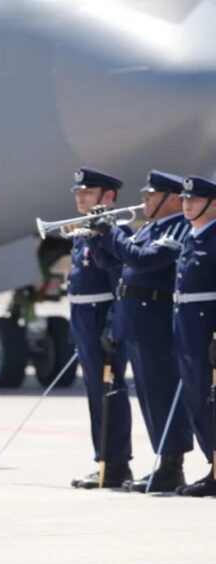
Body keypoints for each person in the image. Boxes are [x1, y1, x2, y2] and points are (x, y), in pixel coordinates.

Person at [87, 170, 192, 492]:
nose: (144, 199)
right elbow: (115, 264)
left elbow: (143, 261)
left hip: (156, 321)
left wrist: (111, 233)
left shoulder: (178, 227)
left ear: (172, 199)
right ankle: (164, 461)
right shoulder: (149, 228)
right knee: (148, 396)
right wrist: (100, 238)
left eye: (151, 194)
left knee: (160, 393)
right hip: (135, 320)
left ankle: (172, 465)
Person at [65, 168, 133, 489]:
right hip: (83, 315)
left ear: (109, 197)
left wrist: (112, 326)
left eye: (88, 192)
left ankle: (115, 464)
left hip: (100, 315)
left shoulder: (113, 231)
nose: (81, 197)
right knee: (96, 391)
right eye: (78, 192)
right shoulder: (85, 230)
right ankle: (104, 459)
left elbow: (119, 284)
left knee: (109, 391)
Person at [172, 175, 216, 497]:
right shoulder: (193, 237)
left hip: (206, 331)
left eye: (195, 200)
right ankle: (212, 465)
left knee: (209, 402)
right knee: (197, 401)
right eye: (185, 199)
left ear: (213, 205)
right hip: (188, 330)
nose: (187, 204)